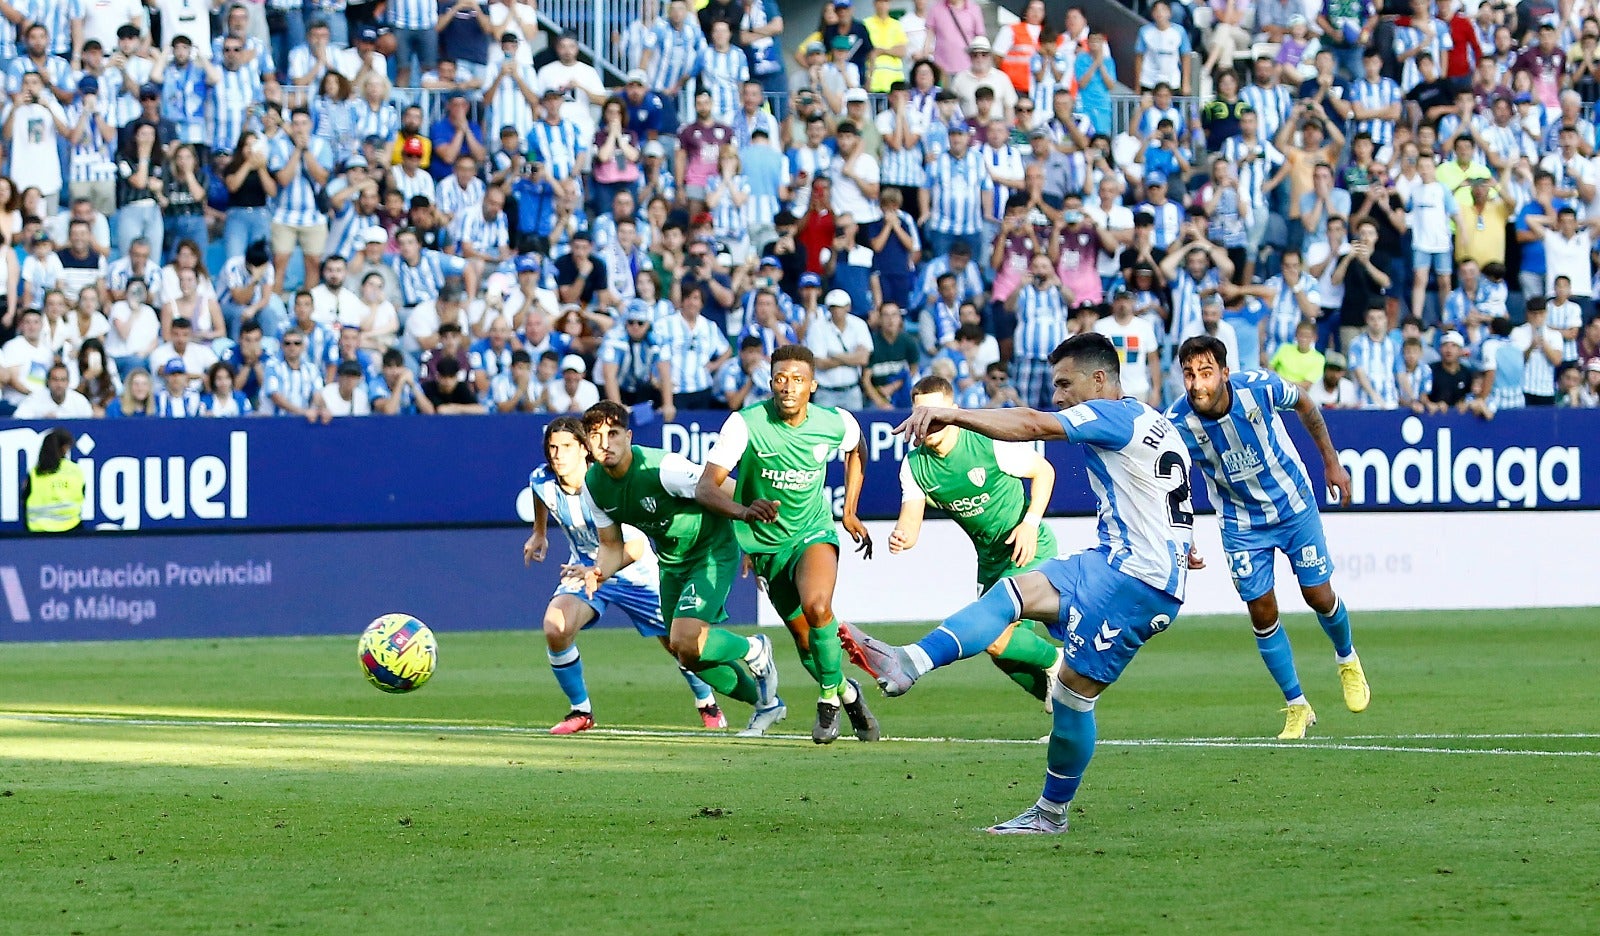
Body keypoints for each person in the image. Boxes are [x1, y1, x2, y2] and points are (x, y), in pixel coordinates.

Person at [847, 333, 1194, 834]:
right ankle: (909, 662)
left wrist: (955, 414)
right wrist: (1182, 547)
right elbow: (1167, 493)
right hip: (1120, 564)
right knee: (1011, 597)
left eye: (1063, 383)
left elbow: (1033, 424)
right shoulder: (1149, 418)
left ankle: (1050, 815)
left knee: (1075, 696)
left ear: (1100, 380)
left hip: (1133, 579)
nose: (1057, 396)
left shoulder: (1111, 414)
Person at [1166, 335, 1369, 739]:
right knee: (1261, 611)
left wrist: (1331, 462)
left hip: (1293, 505)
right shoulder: (1176, 424)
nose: (1196, 384)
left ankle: (1347, 660)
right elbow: (1173, 480)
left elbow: (1306, 404)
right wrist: (1183, 535)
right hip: (1240, 523)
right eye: (1189, 374)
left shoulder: (1260, 387)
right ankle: (1297, 706)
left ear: (1224, 374)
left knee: (1318, 595)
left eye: (1206, 373)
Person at [696, 344, 879, 744]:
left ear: (812, 385)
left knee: (818, 608)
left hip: (813, 533)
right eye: (780, 378)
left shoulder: (835, 421)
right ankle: (847, 691)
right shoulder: (745, 424)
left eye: (797, 379)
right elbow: (705, 488)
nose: (788, 387)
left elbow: (857, 450)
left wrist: (848, 511)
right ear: (770, 382)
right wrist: (744, 512)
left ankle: (827, 701)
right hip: (767, 547)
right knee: (806, 641)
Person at [576, 400, 784, 736]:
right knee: (685, 653)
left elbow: (723, 487)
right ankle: (766, 704)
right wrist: (598, 571)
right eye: (596, 436)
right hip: (671, 562)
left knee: (687, 637)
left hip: (711, 549)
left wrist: (754, 532)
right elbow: (612, 545)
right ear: (587, 442)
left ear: (628, 436)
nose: (605, 443)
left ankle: (755, 648)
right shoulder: (593, 486)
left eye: (613, 434)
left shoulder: (662, 468)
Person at [524, 417, 731, 734]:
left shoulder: (605, 483)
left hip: (637, 574)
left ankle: (706, 702)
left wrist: (598, 569)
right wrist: (540, 533)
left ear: (584, 449)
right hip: (585, 571)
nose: (557, 455)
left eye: (566, 447)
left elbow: (634, 546)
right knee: (555, 626)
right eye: (552, 447)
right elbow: (540, 493)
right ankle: (581, 711)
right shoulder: (542, 479)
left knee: (679, 645)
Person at [886, 372, 1065, 701]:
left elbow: (1044, 471)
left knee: (995, 639)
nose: (927, 421)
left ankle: (1058, 662)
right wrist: (900, 537)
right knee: (1003, 654)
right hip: (991, 562)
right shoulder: (914, 465)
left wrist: (1029, 523)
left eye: (935, 413)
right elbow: (910, 524)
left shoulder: (986, 441)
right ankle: (1068, 704)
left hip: (1028, 547)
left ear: (953, 411)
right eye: (920, 414)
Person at [23, 428, 85, 534]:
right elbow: (82, 494)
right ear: (65, 448)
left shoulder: (34, 473)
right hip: (70, 528)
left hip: (38, 532)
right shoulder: (75, 470)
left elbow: (24, 499)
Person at [15, 363, 94, 419]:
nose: (59, 384)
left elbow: (90, 424)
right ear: (48, 382)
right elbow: (18, 419)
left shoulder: (80, 401)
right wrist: (41, 420)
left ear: (68, 382)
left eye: (63, 380)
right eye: (55, 380)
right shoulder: (34, 399)